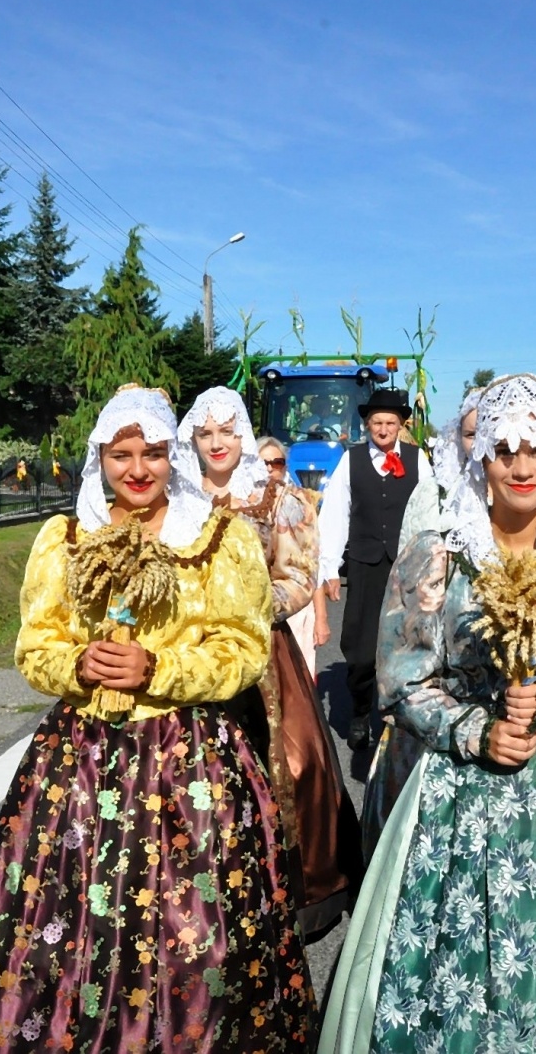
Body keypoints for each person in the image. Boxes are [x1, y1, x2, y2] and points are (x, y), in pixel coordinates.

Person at [0, 385, 316, 1053]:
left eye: (154, 453)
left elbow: (243, 646)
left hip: (190, 762)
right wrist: (78, 664)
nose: (138, 469)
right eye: (122, 454)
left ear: (174, 454)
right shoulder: (67, 537)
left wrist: (158, 669)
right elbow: (35, 644)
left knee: (200, 936)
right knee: (56, 931)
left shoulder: (217, 539)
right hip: (81, 765)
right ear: (101, 457)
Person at [317, 374, 536, 1053]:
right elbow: (402, 680)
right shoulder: (437, 557)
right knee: (449, 968)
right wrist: (474, 729)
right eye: (505, 448)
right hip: (456, 787)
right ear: (480, 454)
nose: (522, 465)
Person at [176, 387, 362, 940]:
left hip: (262, 655)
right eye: (206, 434)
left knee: (291, 766)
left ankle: (293, 893)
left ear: (243, 435)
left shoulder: (280, 498)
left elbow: (299, 578)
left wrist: (245, 609)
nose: (217, 444)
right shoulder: (176, 499)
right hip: (190, 657)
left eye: (228, 432)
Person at [362, 387, 484, 859]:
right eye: (474, 434)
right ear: (459, 438)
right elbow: (408, 582)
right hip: (433, 673)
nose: (484, 444)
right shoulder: (433, 492)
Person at [315, 386, 433, 751]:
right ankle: (361, 711)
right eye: (376, 423)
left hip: (407, 567)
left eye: (390, 423)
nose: (383, 429)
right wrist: (330, 568)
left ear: (401, 425)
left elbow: (429, 514)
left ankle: (400, 716)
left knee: (406, 644)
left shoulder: (418, 460)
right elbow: (334, 515)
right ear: (367, 425)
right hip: (365, 565)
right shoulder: (351, 461)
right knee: (361, 647)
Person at [258, 435, 320, 676]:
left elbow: (311, 563)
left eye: (277, 462)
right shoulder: (238, 501)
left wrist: (322, 615)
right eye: (263, 462)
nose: (270, 468)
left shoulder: (297, 502)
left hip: (287, 604)